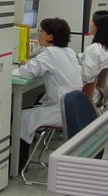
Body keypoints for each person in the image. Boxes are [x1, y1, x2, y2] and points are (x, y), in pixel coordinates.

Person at [17, 17, 81, 169]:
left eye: (41, 31)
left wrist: (26, 65)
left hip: (60, 111)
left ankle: (18, 165)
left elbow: (27, 73)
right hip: (73, 107)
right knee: (34, 105)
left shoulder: (50, 53)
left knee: (21, 117)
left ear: (50, 36)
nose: (39, 34)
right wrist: (33, 63)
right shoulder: (69, 51)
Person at [79, 10, 108, 105]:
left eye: (92, 21)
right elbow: (98, 61)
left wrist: (72, 65)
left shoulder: (93, 49)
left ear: (98, 27)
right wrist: (81, 56)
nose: (90, 24)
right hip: (101, 92)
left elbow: (85, 76)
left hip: (89, 94)